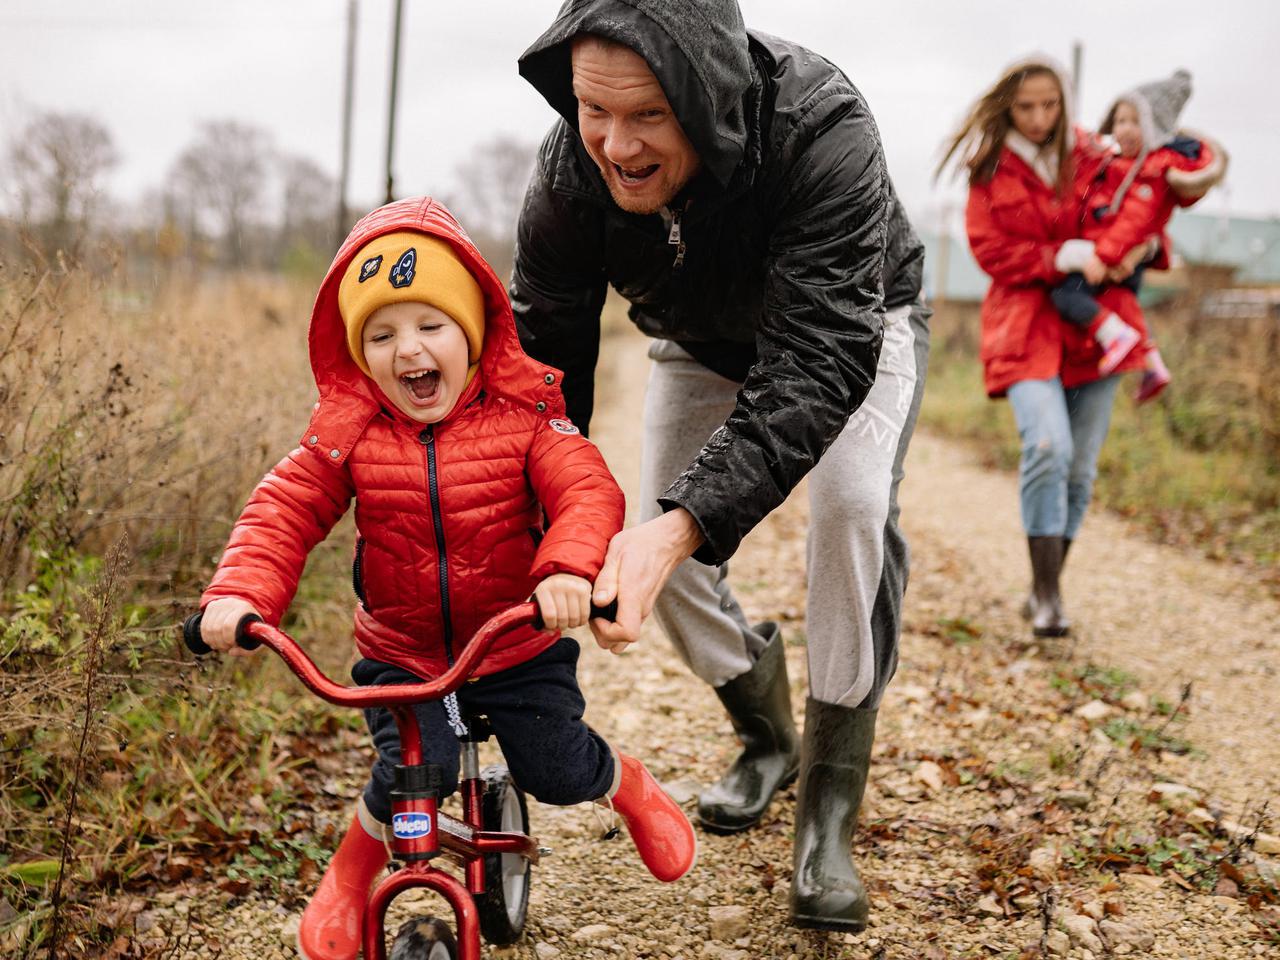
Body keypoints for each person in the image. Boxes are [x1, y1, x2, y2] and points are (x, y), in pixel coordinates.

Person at [511, 0, 930, 932]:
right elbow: (543, 368)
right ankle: (766, 734)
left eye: (649, 114)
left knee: (852, 506)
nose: (616, 146)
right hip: (697, 339)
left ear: (706, 96)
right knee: (652, 530)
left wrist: (684, 524)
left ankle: (828, 808)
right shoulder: (566, 174)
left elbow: (820, 358)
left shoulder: (822, 127)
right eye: (594, 110)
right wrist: (536, 520)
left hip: (855, 325)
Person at [197, 196, 697, 960]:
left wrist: (564, 570)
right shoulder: (351, 432)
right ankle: (347, 878)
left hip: (513, 646)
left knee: (557, 770)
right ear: (360, 353)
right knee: (409, 775)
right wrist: (240, 593)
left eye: (431, 325)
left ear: (471, 331)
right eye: (382, 333)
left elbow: (587, 490)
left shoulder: (526, 418)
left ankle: (626, 785)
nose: (409, 351)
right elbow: (285, 508)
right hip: (404, 654)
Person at [939, 57, 1155, 639]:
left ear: (1064, 103)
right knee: (1048, 447)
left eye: (1049, 104)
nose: (1038, 118)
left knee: (1080, 471)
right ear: (1008, 106)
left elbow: (1142, 199)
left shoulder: (1093, 154)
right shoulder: (989, 168)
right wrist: (1056, 257)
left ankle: (1048, 586)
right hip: (1024, 325)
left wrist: (1146, 240)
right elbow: (989, 250)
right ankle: (1046, 593)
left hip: (1096, 328)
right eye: (1026, 106)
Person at [1050, 69, 1227, 403]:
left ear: (1155, 129)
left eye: (1135, 121)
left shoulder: (1150, 171)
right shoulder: (1115, 164)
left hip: (1110, 255)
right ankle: (1152, 363)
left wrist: (1104, 258)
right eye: (1120, 120)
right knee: (1123, 305)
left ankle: (1115, 337)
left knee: (1066, 297)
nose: (1124, 129)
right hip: (1113, 253)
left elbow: (1134, 221)